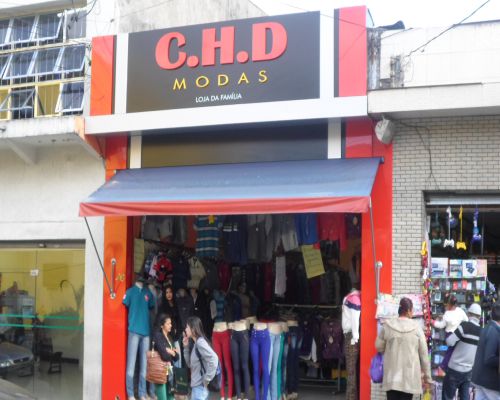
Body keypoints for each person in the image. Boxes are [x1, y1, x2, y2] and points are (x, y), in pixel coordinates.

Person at [375, 297, 432, 400]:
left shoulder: (387, 326)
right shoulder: (417, 328)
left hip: (392, 376)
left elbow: (379, 346)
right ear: (409, 311)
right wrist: (427, 378)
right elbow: (424, 356)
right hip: (409, 378)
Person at [442, 303, 482, 400]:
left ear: (469, 314)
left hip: (454, 369)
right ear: (479, 317)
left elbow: (449, 341)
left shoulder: (464, 326)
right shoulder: (482, 332)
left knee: (447, 397)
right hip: (468, 371)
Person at [182, 316, 218, 400]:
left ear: (193, 329)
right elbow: (190, 364)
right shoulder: (196, 344)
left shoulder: (200, 343)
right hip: (197, 388)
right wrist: (186, 347)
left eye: (187, 327)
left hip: (199, 389)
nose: (185, 329)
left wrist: (207, 379)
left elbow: (214, 358)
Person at [471, 303, 500, 400]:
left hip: (481, 379)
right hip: (489, 381)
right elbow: (489, 358)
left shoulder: (488, 328)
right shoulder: (494, 331)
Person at [433, 294, 468, 371]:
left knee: (449, 352)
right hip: (459, 335)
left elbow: (441, 325)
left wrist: (433, 322)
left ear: (449, 305)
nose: (445, 307)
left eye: (446, 305)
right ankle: (454, 367)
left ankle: (443, 367)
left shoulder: (447, 314)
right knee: (455, 352)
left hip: (450, 335)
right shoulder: (460, 311)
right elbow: (466, 320)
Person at [153, 314, 179, 400]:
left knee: (171, 397)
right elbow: (164, 356)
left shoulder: (169, 338)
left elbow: (177, 357)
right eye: (168, 323)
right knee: (163, 398)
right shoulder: (158, 336)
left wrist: (170, 351)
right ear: (162, 325)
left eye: (170, 323)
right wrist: (171, 352)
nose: (170, 325)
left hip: (170, 371)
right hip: (160, 371)